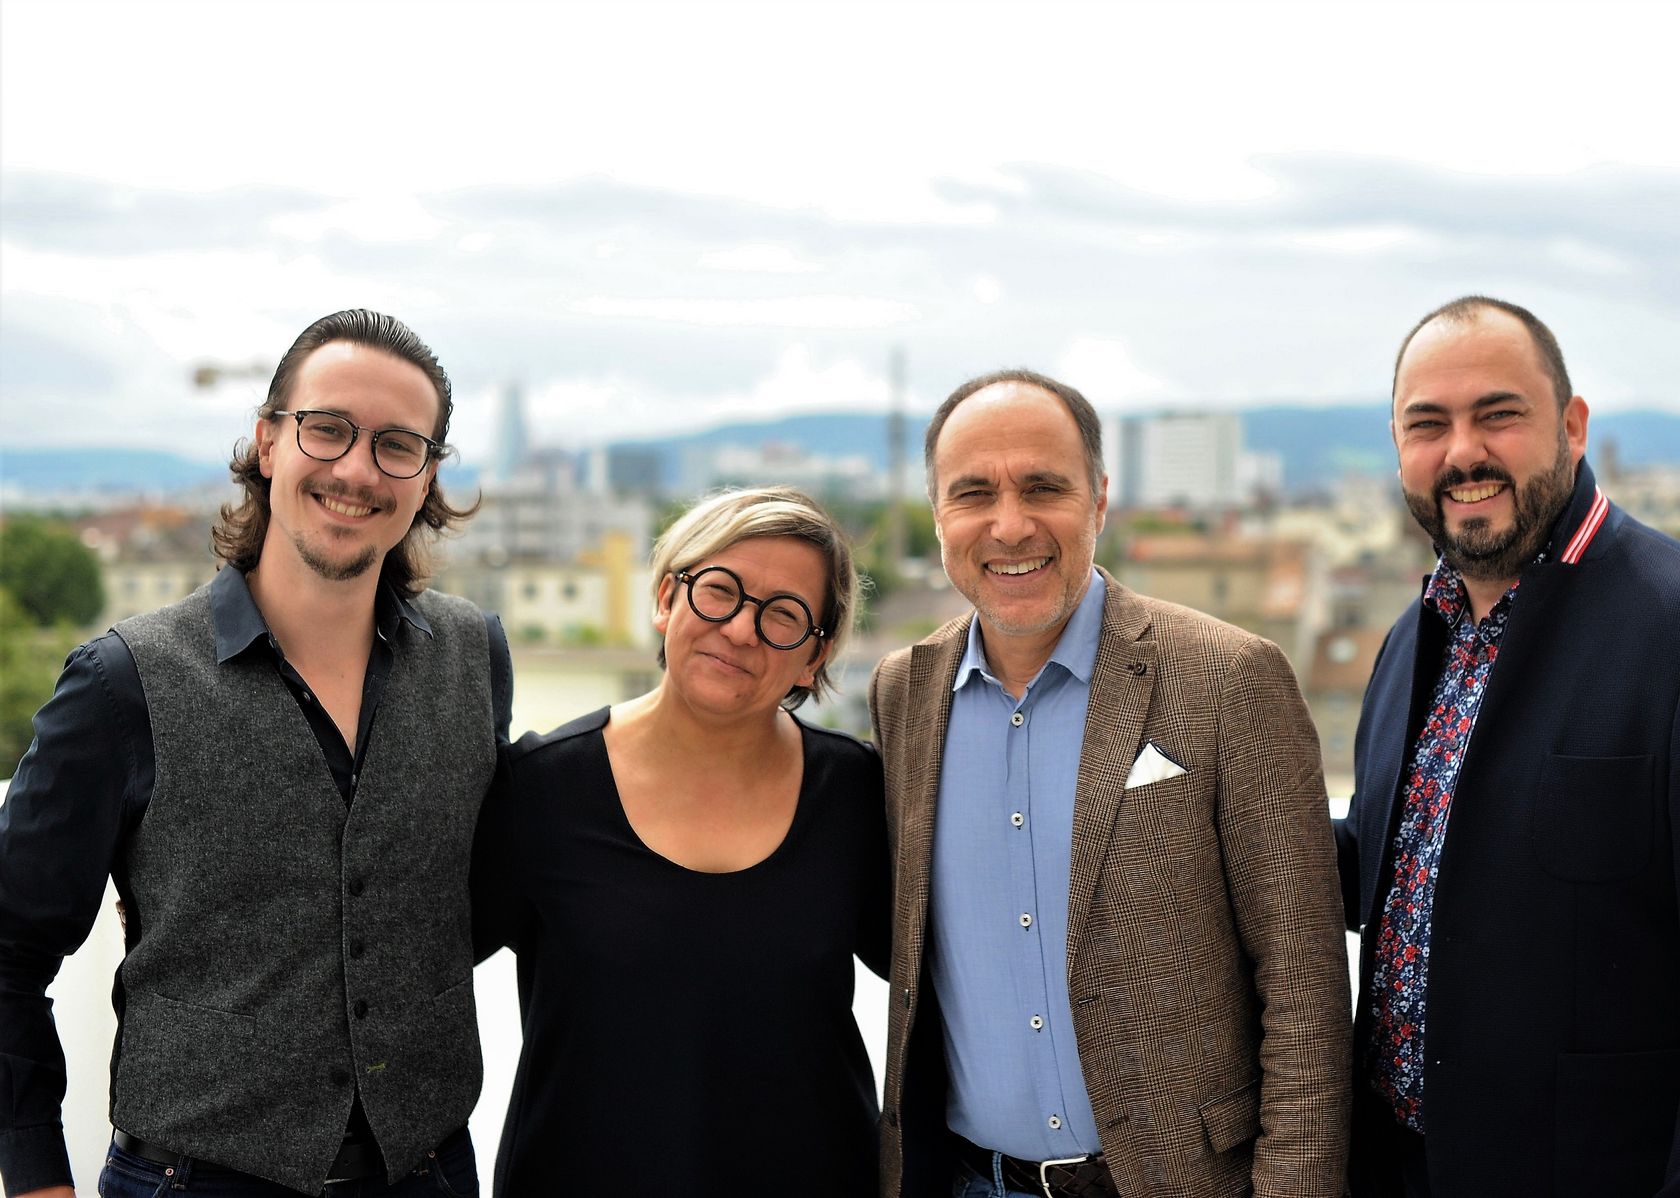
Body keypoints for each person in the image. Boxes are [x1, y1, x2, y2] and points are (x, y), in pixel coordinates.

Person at [0, 310, 510, 1198]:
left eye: (397, 445)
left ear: (427, 478)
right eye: (328, 429)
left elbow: (469, 892)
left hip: (430, 1171)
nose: (356, 469)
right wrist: (38, 1178)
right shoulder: (124, 682)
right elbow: (6, 948)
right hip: (194, 1179)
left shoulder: (475, 657)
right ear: (269, 441)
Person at [1335, 296, 1680, 1196]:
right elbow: (1397, 870)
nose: (1463, 451)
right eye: (1428, 425)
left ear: (1573, 427)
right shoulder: (1409, 641)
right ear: (1399, 450)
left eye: (1498, 415)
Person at [869, 370, 1350, 1198]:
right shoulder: (903, 693)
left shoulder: (1229, 679)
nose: (1010, 524)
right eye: (973, 493)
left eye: (1043, 487)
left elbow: (1304, 986)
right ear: (938, 514)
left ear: (1098, 500)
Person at [473, 485, 889, 1197]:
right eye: (719, 591)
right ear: (668, 598)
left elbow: (948, 991)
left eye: (783, 615)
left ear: (815, 658)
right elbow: (406, 978)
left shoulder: (856, 795)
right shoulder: (540, 789)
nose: (739, 630)